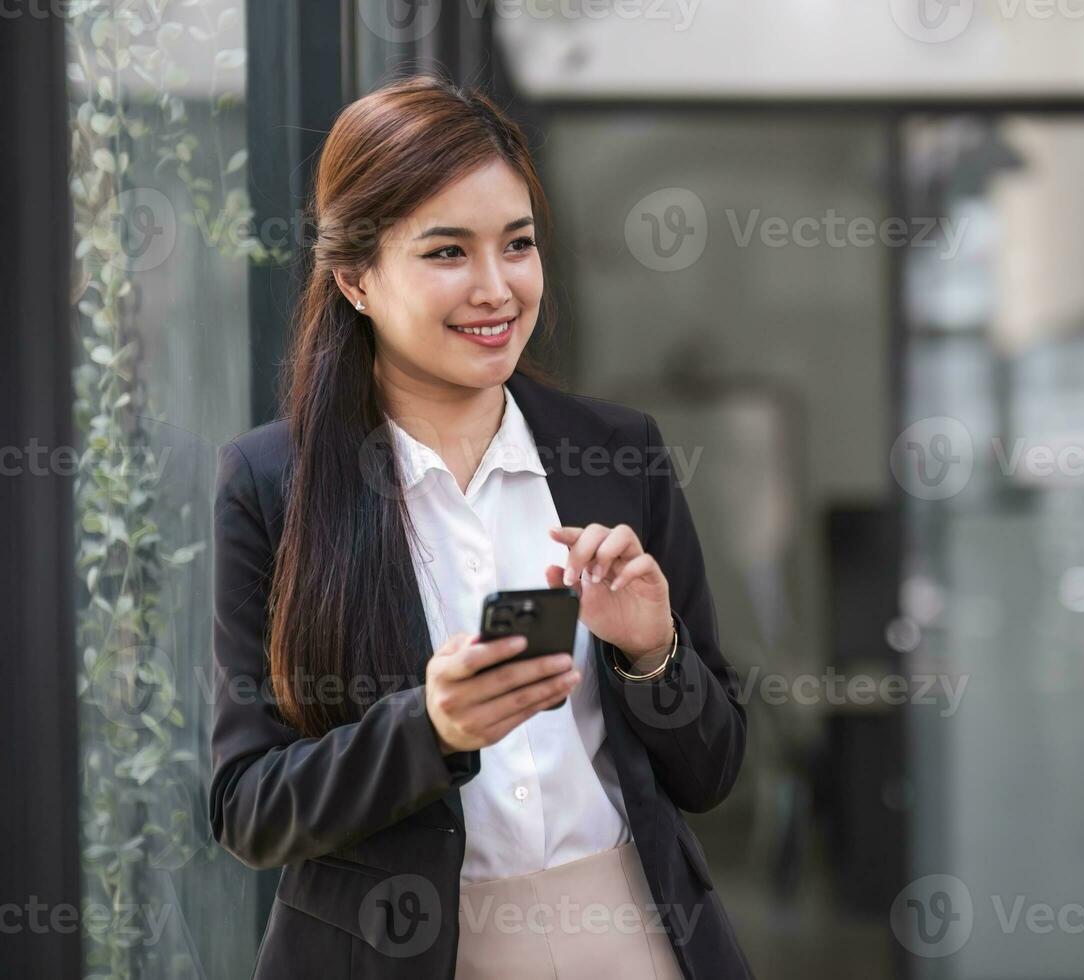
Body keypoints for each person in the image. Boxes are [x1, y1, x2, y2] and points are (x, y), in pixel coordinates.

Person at [209, 74, 751, 979]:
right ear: (354, 279)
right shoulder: (274, 484)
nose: (497, 289)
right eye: (447, 252)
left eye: (519, 244)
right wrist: (431, 728)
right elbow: (248, 808)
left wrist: (653, 655)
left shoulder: (618, 453)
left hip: (627, 935)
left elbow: (713, 772)